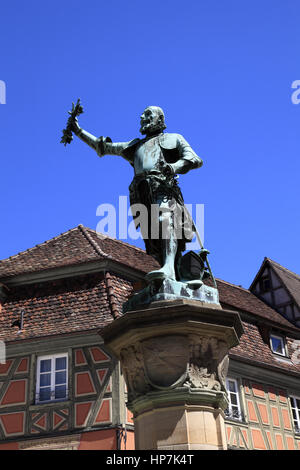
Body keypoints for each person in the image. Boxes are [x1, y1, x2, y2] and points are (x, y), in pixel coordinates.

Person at [70, 106, 203, 282]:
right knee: (153, 239)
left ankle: (169, 269)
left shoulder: (174, 138)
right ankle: (175, 273)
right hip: (141, 194)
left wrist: (173, 167)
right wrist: (78, 130)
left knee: (165, 220)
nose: (142, 117)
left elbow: (194, 159)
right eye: (142, 114)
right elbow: (103, 147)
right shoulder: (135, 146)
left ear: (160, 120)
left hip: (163, 187)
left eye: (148, 114)